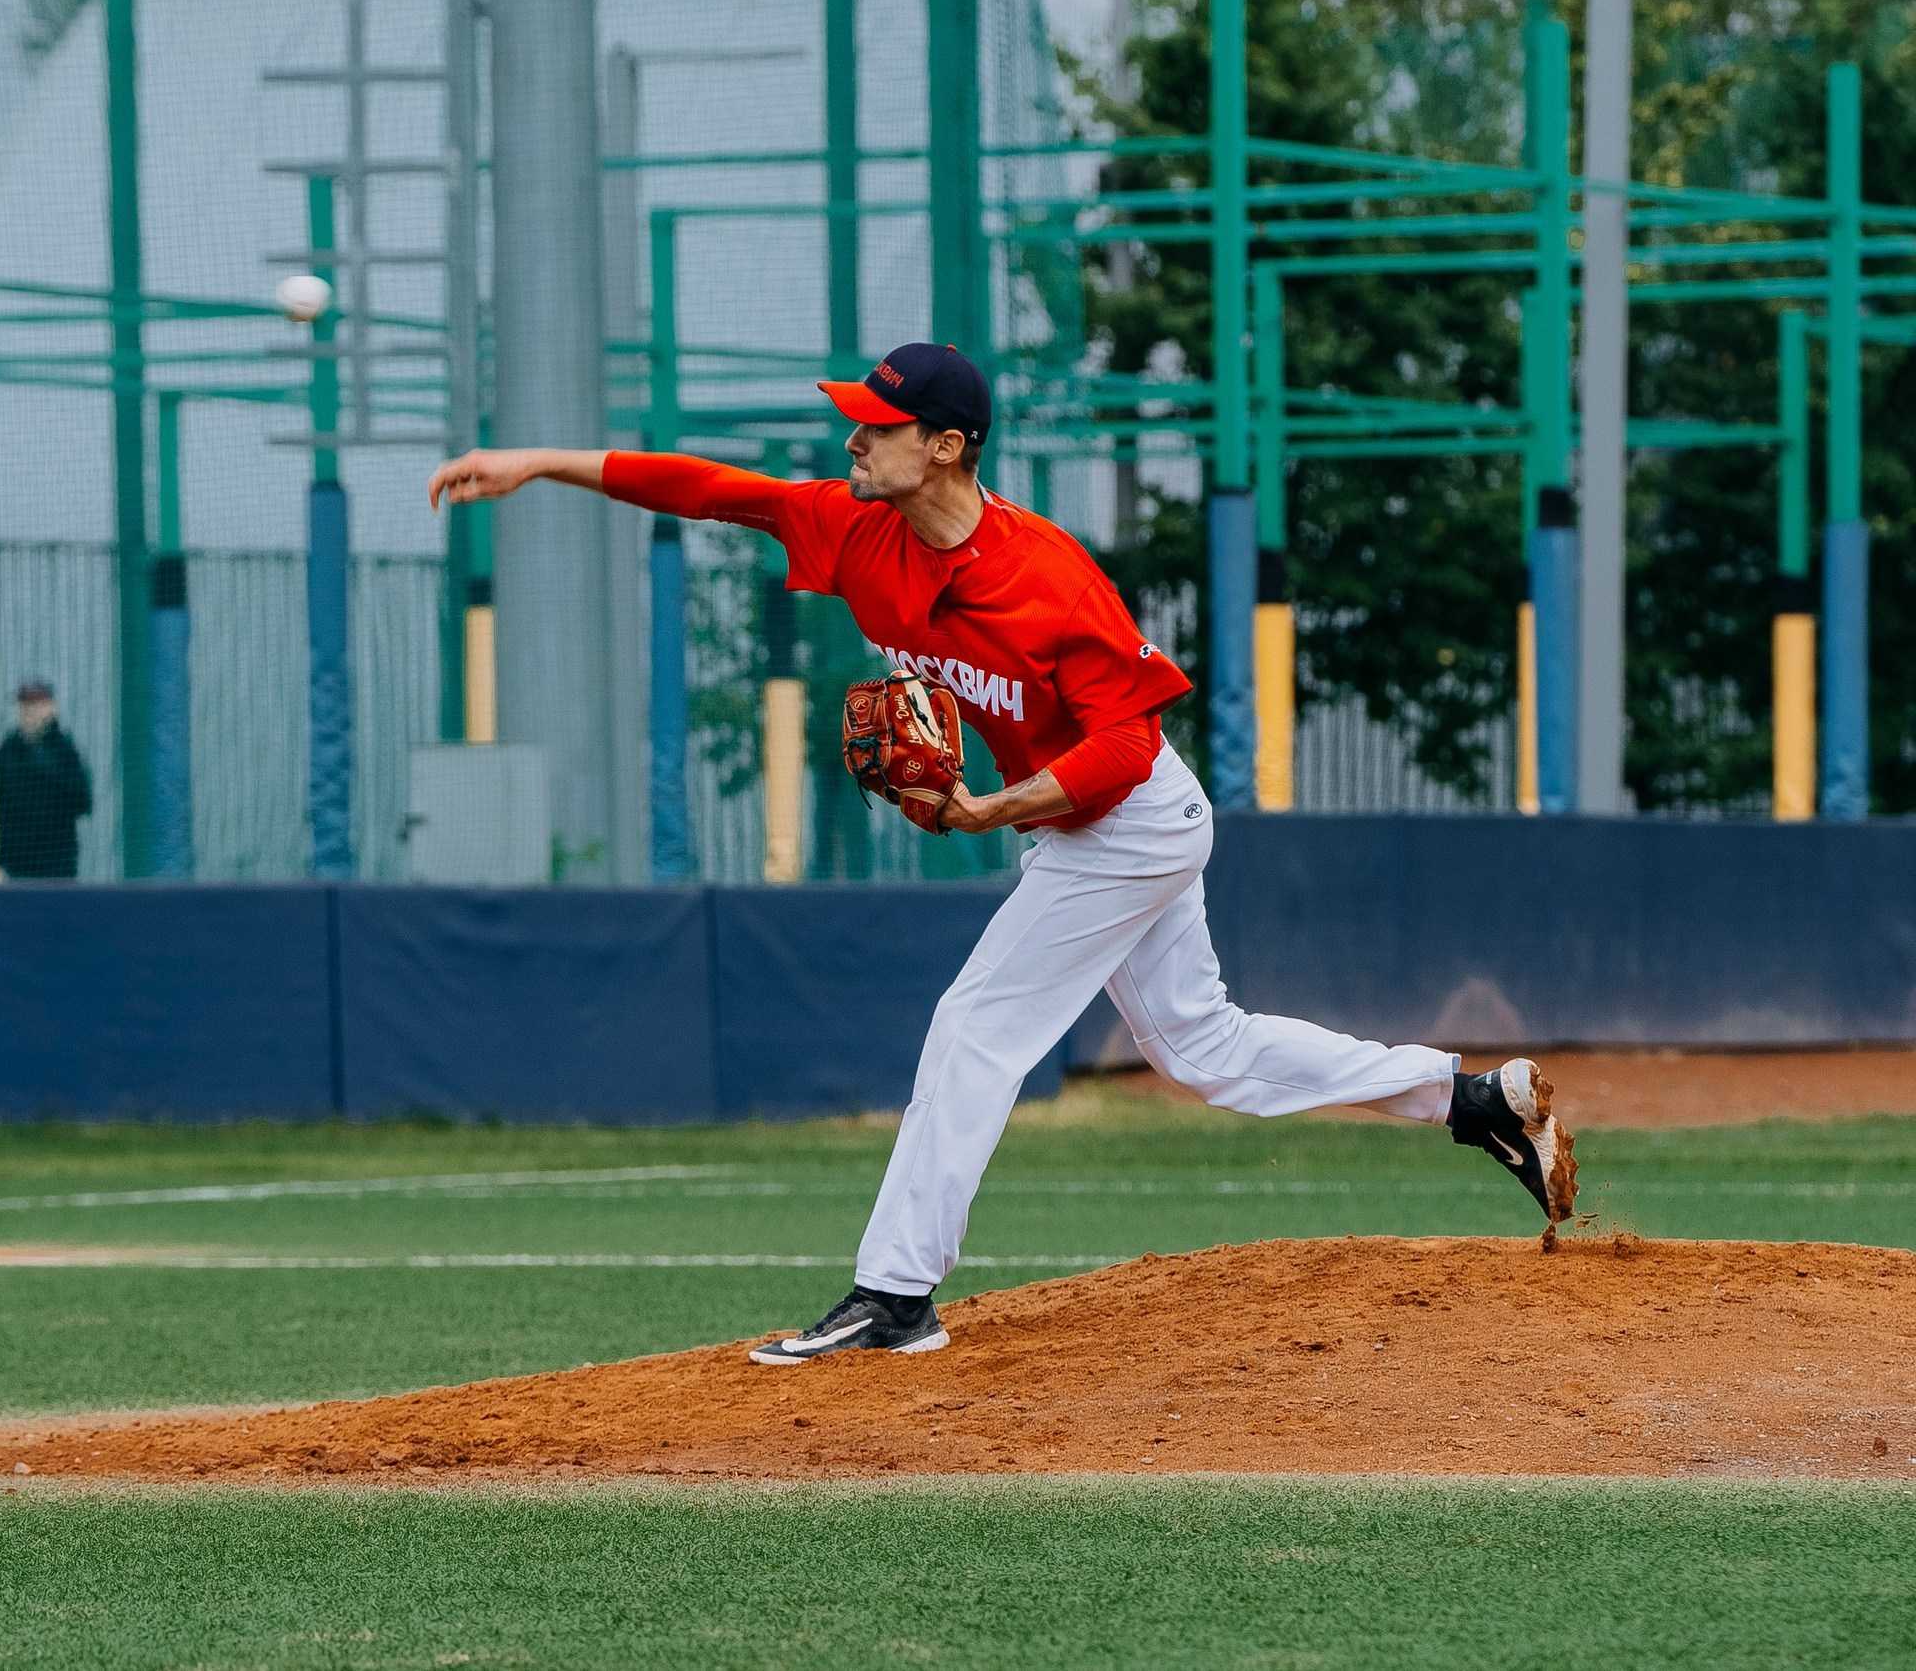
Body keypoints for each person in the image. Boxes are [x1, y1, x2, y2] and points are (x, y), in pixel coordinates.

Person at [426, 342, 1578, 1365]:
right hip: (1081, 826)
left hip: (1123, 820)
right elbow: (716, 491)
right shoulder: (853, 526)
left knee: (976, 1026)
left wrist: (991, 811)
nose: (852, 439)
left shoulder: (1045, 577)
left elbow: (1126, 743)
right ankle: (1468, 1099)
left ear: (945, 446)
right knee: (1203, 1051)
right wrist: (540, 460)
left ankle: (895, 1296)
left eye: (876, 426)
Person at [0, 678, 92, 880]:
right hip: (15, 869)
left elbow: (83, 802)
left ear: (50, 708)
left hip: (57, 868)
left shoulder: (63, 750)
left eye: (35, 703)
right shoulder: (7, 751)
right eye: (23, 703)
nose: (28, 709)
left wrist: (46, 765)